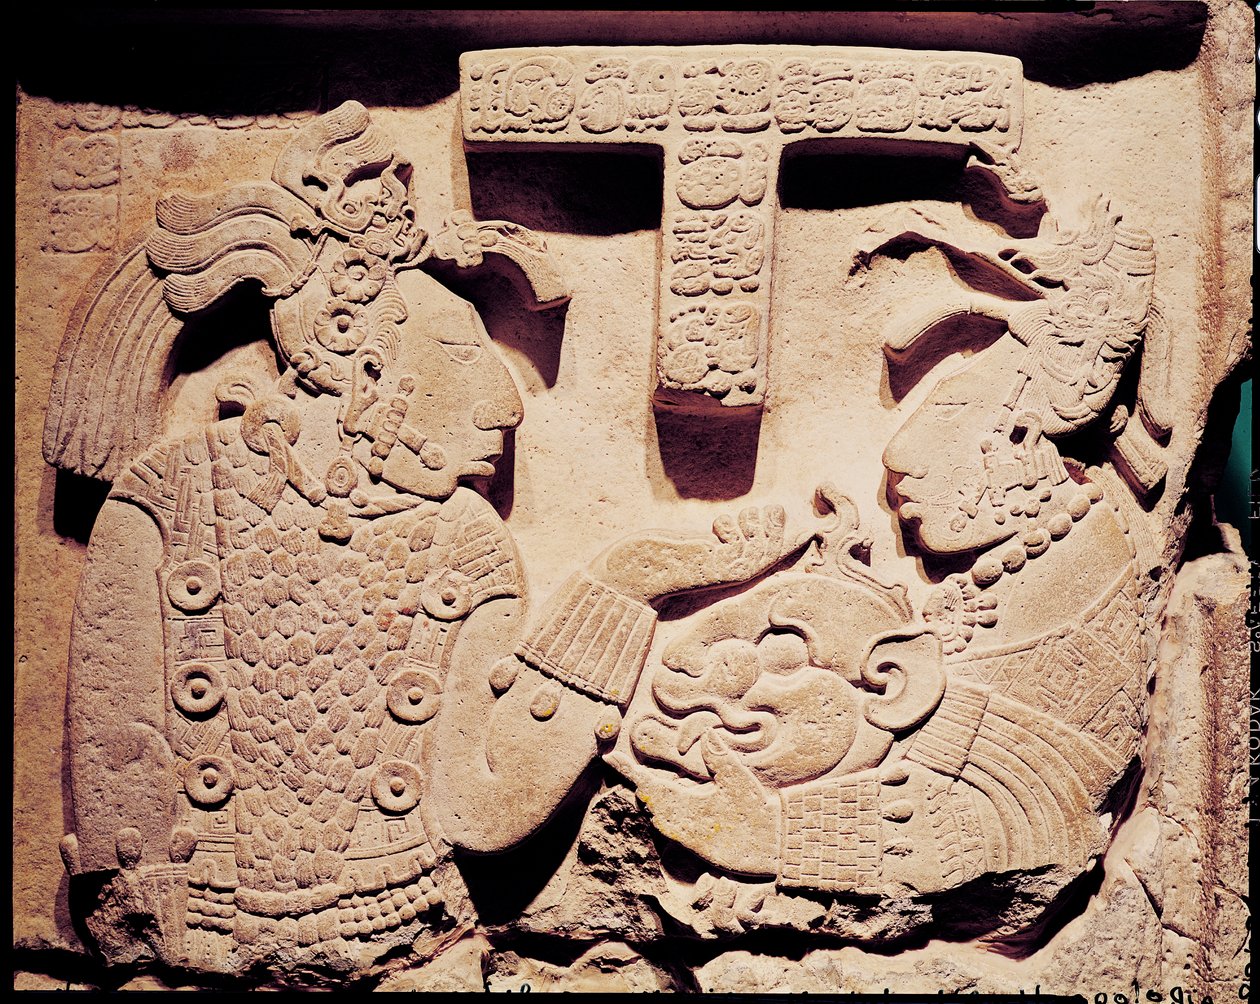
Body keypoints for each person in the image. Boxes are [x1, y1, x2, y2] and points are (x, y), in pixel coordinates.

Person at [54, 101, 810, 970]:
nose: (506, 404)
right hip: (189, 945)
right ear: (364, 361)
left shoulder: (464, 545)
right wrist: (146, 943)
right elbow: (120, 767)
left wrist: (622, 588)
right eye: (459, 351)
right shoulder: (171, 501)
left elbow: (482, 809)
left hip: (408, 939)